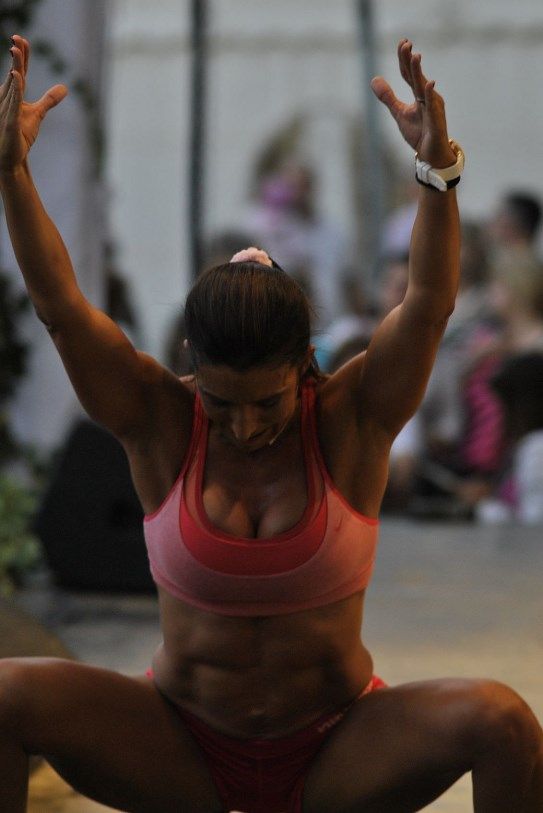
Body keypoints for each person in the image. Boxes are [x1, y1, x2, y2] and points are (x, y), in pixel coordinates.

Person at [0, 34, 541, 813]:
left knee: (502, 721)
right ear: (191, 366)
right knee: (7, 693)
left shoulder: (351, 420)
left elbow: (427, 304)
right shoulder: (157, 418)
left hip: (335, 749)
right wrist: (13, 175)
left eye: (267, 402)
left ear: (304, 369)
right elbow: (60, 307)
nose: (245, 426)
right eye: (221, 404)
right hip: (181, 745)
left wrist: (436, 172)